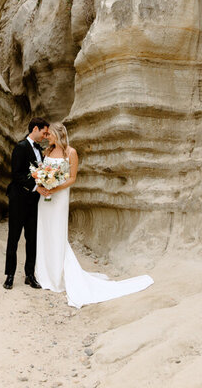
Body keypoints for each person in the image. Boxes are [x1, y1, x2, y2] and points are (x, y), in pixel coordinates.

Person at [35, 122, 154, 308]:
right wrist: (43, 185)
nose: (46, 137)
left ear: (58, 134)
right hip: (46, 199)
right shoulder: (47, 152)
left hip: (60, 197)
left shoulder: (71, 153)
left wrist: (55, 187)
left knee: (57, 232)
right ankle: (43, 273)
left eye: (49, 134)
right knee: (44, 231)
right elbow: (42, 172)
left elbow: (72, 178)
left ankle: (57, 276)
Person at [3, 117, 50, 290]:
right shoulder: (20, 147)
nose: (45, 136)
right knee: (13, 237)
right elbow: (16, 174)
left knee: (32, 238)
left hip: (34, 201)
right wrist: (35, 187)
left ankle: (30, 274)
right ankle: (10, 275)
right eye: (44, 132)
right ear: (35, 129)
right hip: (18, 198)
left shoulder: (40, 150)